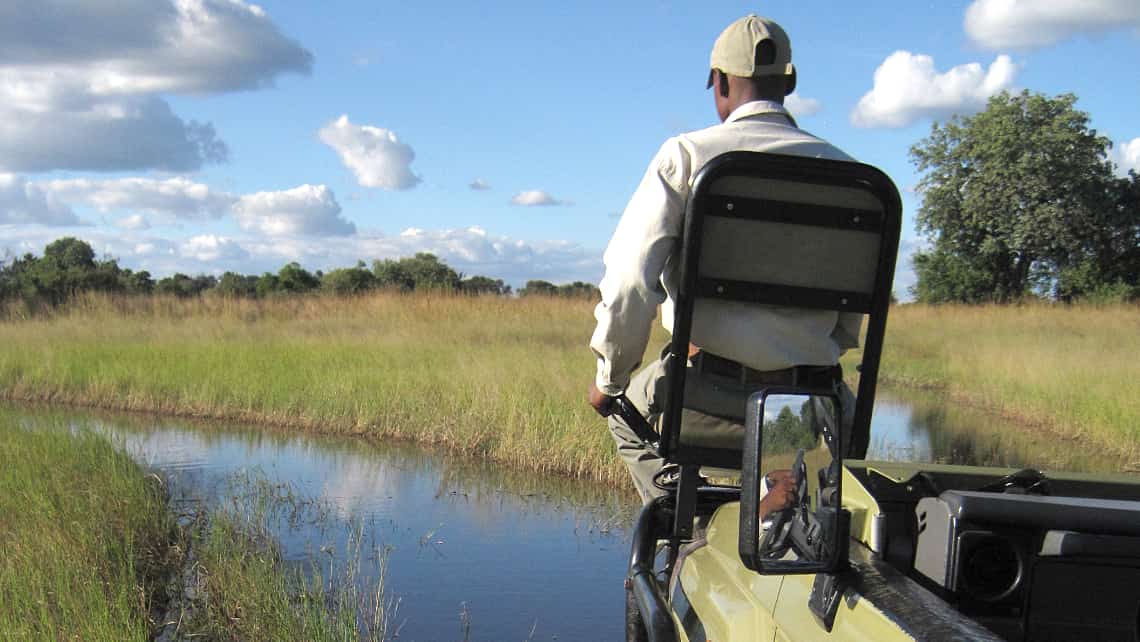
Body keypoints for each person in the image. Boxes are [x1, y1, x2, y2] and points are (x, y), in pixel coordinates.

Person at [587, 14, 861, 504]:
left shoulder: (687, 155)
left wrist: (610, 380)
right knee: (799, 488)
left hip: (704, 403)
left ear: (720, 82)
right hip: (813, 405)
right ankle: (781, 517)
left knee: (624, 417)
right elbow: (846, 331)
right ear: (790, 83)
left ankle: (686, 524)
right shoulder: (852, 176)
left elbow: (630, 283)